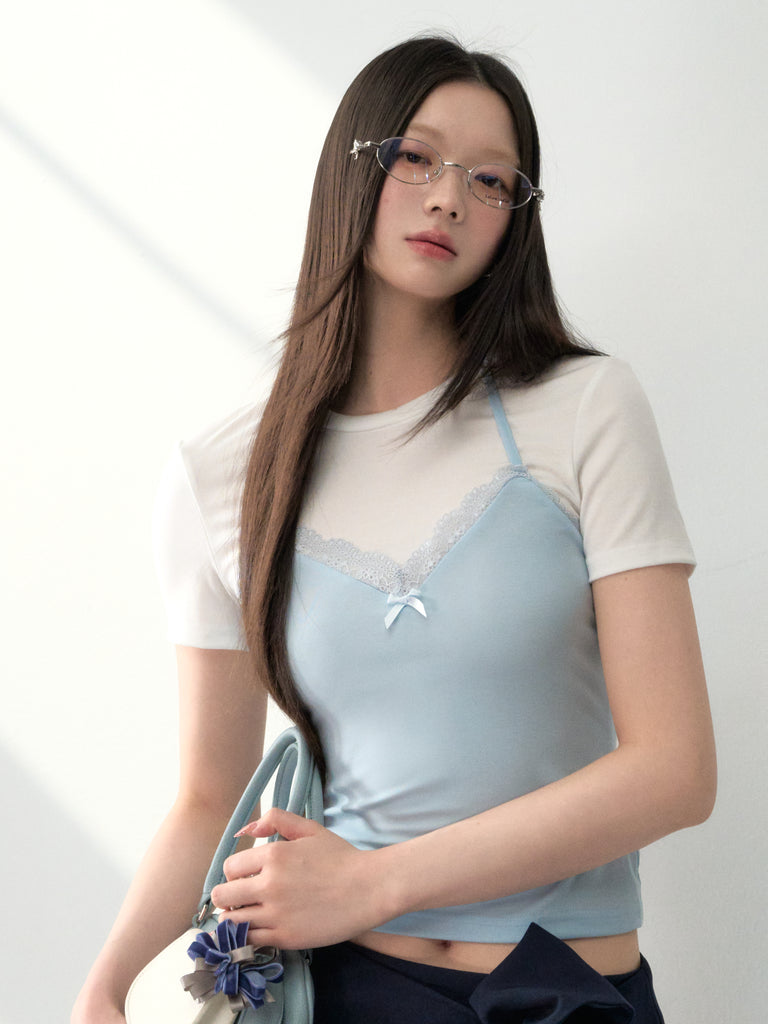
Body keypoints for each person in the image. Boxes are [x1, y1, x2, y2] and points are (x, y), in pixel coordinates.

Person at [72, 35, 716, 1024]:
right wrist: (106, 983)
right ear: (352, 168)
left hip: (565, 989)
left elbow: (675, 771)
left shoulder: (585, 407)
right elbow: (208, 793)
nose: (449, 198)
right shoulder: (222, 475)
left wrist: (374, 882)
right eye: (415, 157)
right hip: (345, 989)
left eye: (491, 179)